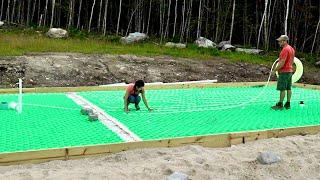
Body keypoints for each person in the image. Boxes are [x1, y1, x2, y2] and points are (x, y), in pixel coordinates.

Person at [271, 35, 295, 110]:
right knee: (288, 88)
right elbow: (292, 60)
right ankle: (288, 104)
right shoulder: (291, 48)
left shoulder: (285, 49)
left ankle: (280, 104)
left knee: (282, 88)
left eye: (280, 41)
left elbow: (282, 62)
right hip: (290, 71)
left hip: (284, 72)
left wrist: (274, 70)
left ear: (284, 41)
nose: (279, 43)